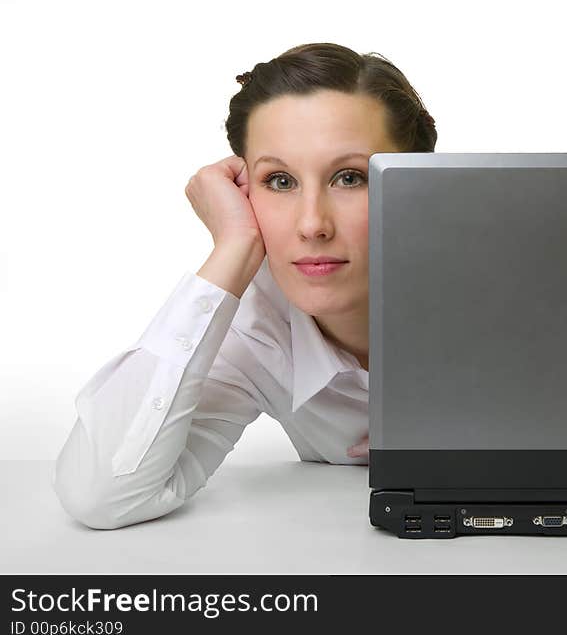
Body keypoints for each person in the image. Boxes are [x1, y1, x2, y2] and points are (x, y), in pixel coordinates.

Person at [51, 42, 438, 530]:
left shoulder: (504, 295)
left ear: (419, 182)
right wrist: (233, 246)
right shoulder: (257, 329)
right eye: (279, 181)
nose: (312, 225)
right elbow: (100, 495)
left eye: (349, 177)